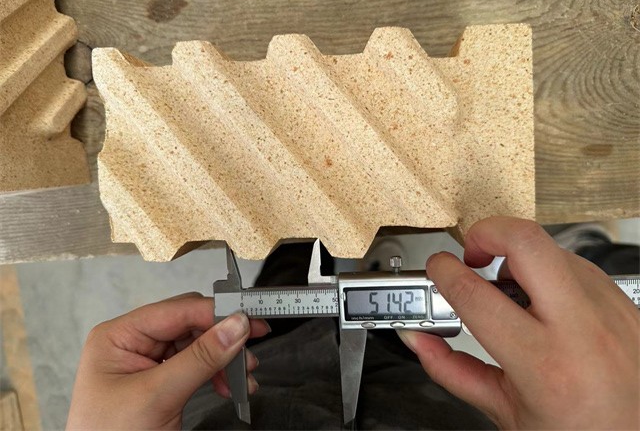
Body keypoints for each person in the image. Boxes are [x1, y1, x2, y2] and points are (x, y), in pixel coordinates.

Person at [66, 217, 640, 430]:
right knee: (403, 344)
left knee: (290, 271)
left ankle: (313, 238)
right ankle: (589, 251)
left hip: (241, 393)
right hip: (420, 406)